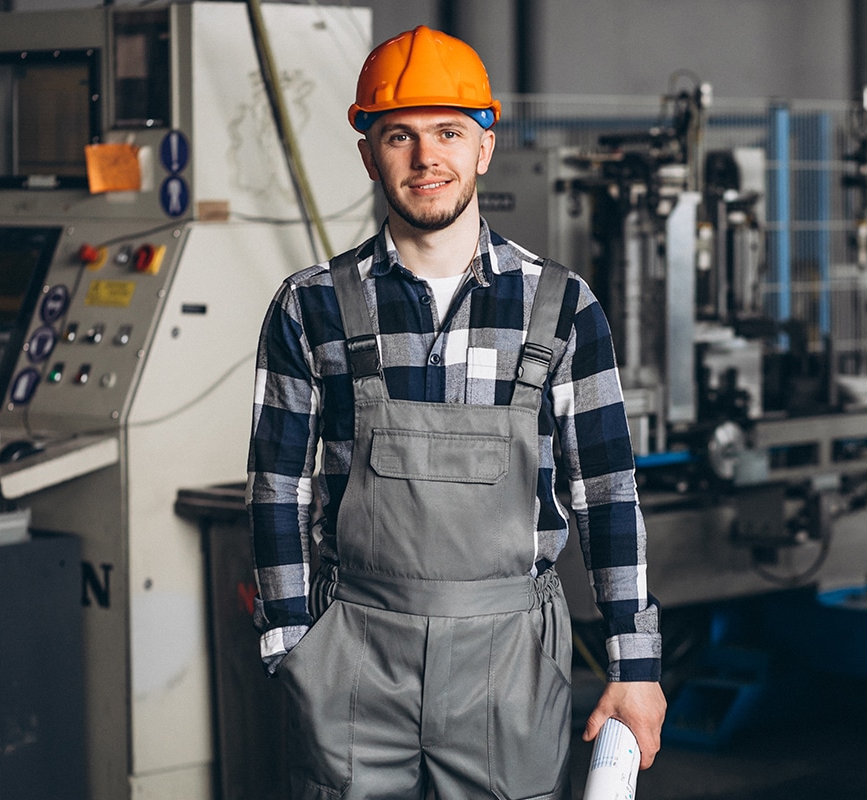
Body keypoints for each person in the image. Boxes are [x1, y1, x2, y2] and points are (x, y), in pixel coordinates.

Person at [247, 24, 666, 799]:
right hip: (353, 657)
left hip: (510, 659)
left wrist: (634, 667)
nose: (424, 157)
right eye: (397, 135)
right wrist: (292, 643)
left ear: (485, 145)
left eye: (447, 132)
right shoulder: (310, 306)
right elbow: (277, 485)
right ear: (370, 153)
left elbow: (608, 493)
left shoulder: (561, 308)